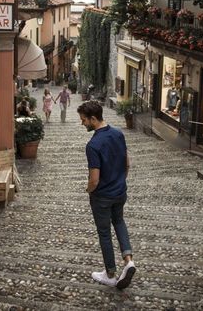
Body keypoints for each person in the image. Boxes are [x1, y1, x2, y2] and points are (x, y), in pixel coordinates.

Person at [77, 100, 136, 289]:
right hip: (120, 192)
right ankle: (128, 261)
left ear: (93, 119)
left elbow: (94, 179)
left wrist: (88, 190)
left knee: (104, 233)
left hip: (102, 197)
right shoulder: (118, 133)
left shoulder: (93, 145)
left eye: (84, 120)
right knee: (119, 222)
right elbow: (127, 162)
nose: (82, 123)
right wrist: (120, 181)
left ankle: (110, 273)